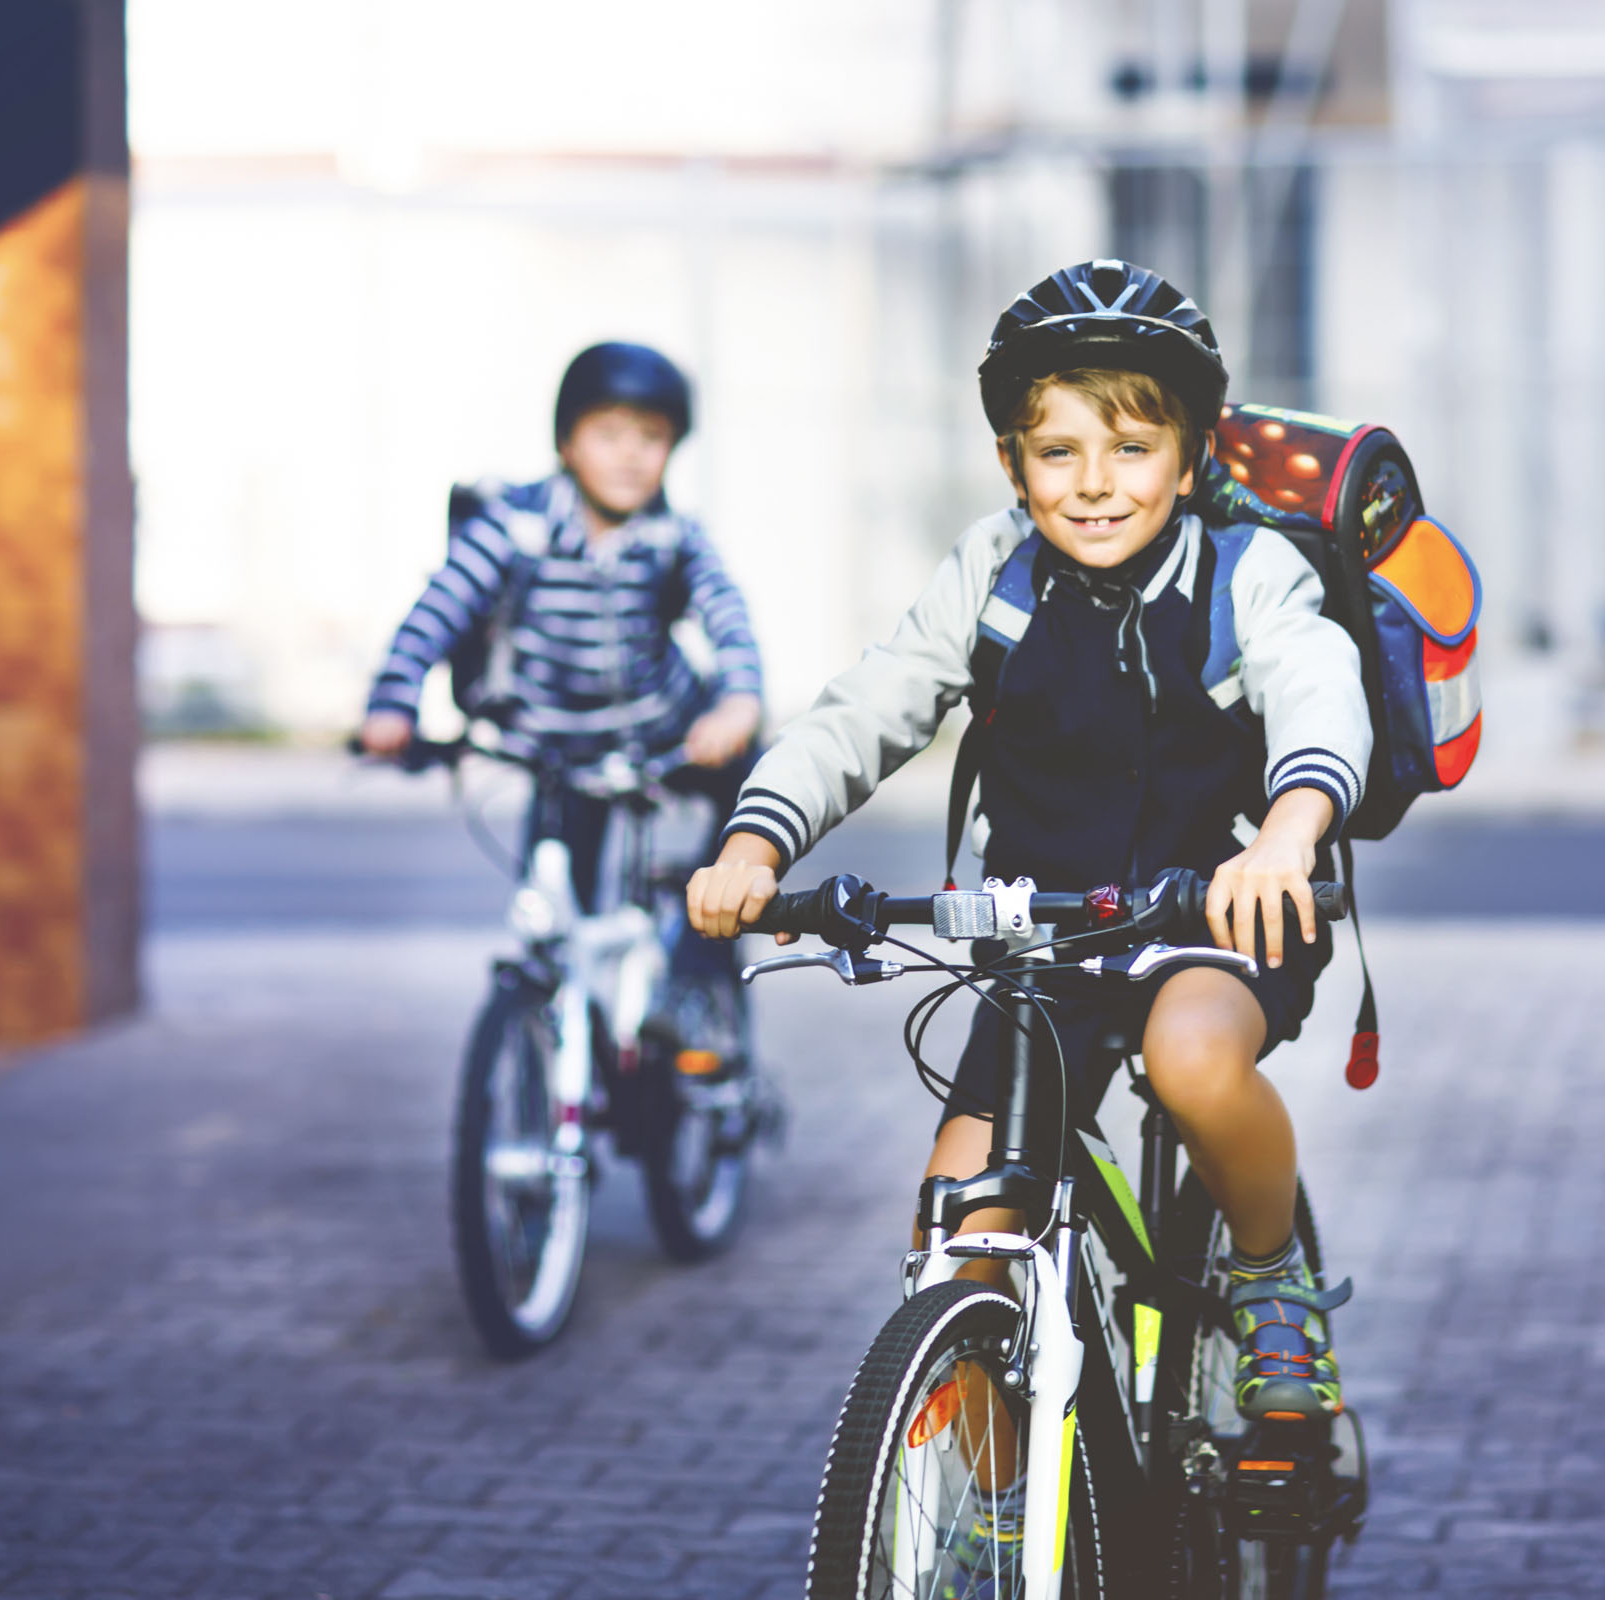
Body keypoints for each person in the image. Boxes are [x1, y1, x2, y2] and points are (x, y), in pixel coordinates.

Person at [687, 260, 1370, 1556]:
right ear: (1013, 464)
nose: (1095, 479)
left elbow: (1316, 684)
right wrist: (755, 840)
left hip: (1214, 917)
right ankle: (1000, 1534)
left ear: (1187, 453)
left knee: (1189, 1059)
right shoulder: (993, 582)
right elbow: (864, 709)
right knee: (960, 1233)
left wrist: (1285, 837)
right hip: (1036, 937)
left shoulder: (1246, 574)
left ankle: (1272, 1280)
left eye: (1131, 442)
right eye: (1059, 451)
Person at [362, 341, 764, 1027]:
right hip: (560, 752)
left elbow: (726, 614)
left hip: (666, 733)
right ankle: (563, 1047)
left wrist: (738, 701)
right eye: (608, 434)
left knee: (756, 795)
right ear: (566, 443)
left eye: (652, 438)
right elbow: (439, 609)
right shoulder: (514, 526)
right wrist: (393, 701)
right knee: (555, 923)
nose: (631, 454)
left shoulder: (673, 535)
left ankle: (705, 954)